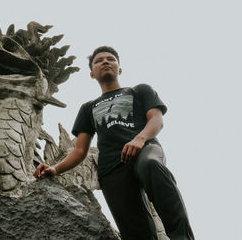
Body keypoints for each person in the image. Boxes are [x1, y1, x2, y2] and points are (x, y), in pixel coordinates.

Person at [34, 46, 194, 240]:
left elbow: (157, 120)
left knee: (151, 165)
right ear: (92, 73)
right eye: (99, 60)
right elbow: (80, 150)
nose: (106, 62)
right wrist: (55, 169)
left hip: (145, 148)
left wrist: (140, 139)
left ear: (119, 69)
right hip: (111, 168)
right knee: (135, 231)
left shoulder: (140, 91)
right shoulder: (88, 108)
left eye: (111, 59)